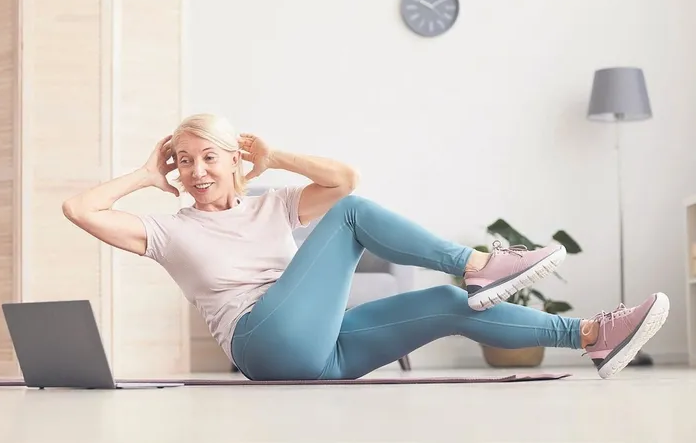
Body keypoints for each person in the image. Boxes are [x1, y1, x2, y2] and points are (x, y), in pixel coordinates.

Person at [62, 113, 670, 381]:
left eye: (209, 157)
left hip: (320, 353)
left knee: (451, 304)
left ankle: (592, 337)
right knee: (353, 219)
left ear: (234, 160)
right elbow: (79, 210)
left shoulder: (273, 202)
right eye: (184, 161)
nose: (196, 171)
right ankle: (482, 265)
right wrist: (145, 175)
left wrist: (274, 157)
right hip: (260, 342)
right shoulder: (168, 230)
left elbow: (345, 179)